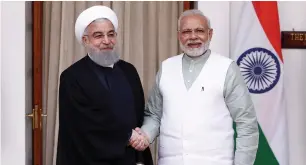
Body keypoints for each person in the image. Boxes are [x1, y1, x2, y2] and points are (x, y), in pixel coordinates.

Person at [130, 9, 259, 165]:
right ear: (179, 36)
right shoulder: (167, 67)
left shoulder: (227, 68)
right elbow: (154, 115)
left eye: (199, 31)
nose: (193, 37)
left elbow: (246, 123)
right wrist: (145, 136)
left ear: (210, 34)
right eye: (186, 31)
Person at [56, 5, 153, 165]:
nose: (106, 41)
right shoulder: (72, 77)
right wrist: (127, 136)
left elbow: (138, 115)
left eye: (111, 34)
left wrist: (140, 136)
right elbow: (83, 125)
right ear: (85, 40)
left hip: (130, 157)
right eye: (98, 35)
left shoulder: (128, 70)